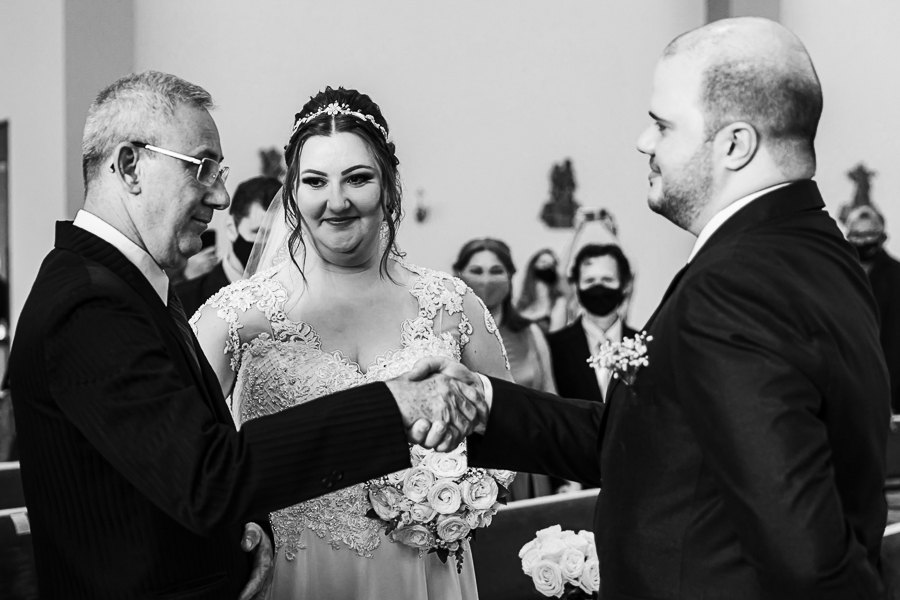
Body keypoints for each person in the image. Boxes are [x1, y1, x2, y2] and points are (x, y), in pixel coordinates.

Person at [421, 17, 890, 599]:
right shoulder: (816, 248)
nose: (644, 141)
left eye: (663, 125)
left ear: (735, 144)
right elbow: (661, 441)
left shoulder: (736, 285)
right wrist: (487, 401)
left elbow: (807, 560)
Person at [7, 72, 483, 600]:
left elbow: (175, 456)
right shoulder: (90, 304)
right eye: (202, 167)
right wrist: (389, 406)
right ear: (130, 166)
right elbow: (207, 477)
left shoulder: (125, 288)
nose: (221, 195)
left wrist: (245, 529)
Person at [192, 86, 511, 600]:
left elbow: (508, 436)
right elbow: (188, 464)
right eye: (315, 181)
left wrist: (454, 494)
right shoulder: (234, 319)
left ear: (389, 184)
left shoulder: (453, 307)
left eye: (358, 178)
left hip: (422, 574)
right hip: (294, 576)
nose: (336, 201)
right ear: (292, 191)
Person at [453, 237, 554, 500]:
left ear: (510, 276)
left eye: (496, 271)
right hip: (468, 470)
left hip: (527, 463)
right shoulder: (447, 337)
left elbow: (550, 401)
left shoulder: (531, 333)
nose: (486, 280)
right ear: (458, 274)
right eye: (476, 271)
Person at [176, 175, 281, 316]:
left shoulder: (294, 298)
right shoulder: (183, 300)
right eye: (258, 233)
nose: (269, 245)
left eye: (277, 236)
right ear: (232, 228)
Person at [547, 244, 637, 405]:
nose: (598, 287)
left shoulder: (644, 345)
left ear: (625, 285)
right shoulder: (553, 347)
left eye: (607, 279)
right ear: (576, 286)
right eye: (589, 280)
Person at [846, 205, 900, 415]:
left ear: (882, 236)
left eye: (869, 234)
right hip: (846, 374)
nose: (862, 241)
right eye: (857, 235)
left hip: (887, 377)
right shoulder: (837, 272)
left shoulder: (896, 275)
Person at [515, 249, 568, 332]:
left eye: (551, 264)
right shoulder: (520, 303)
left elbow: (555, 334)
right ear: (533, 266)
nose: (547, 266)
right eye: (543, 262)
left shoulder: (558, 302)